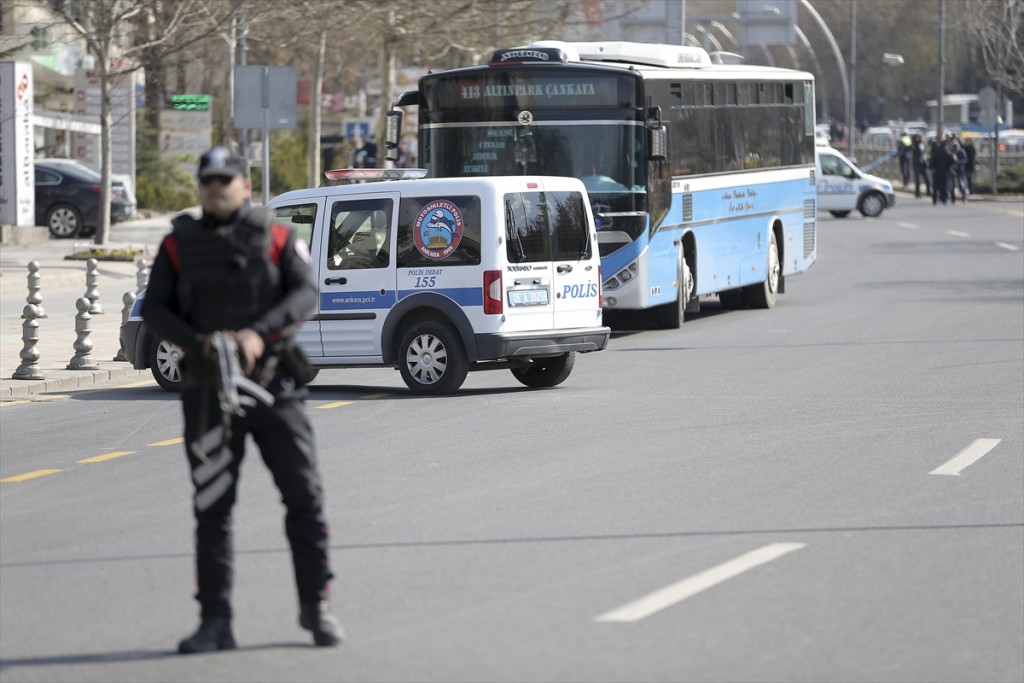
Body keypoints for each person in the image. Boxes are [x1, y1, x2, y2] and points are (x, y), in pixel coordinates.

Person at [142, 146, 344, 653]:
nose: (217, 188)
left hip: (275, 386)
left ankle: (316, 605)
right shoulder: (177, 244)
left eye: (226, 179)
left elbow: (305, 294)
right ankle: (215, 621)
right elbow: (157, 312)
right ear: (199, 187)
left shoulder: (276, 235)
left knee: (305, 497)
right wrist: (199, 342)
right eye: (208, 180)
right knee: (212, 508)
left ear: (245, 185)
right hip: (209, 393)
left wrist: (257, 334)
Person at [911, 133, 931, 199]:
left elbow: (927, 153)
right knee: (917, 180)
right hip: (917, 164)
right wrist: (917, 137)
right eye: (921, 138)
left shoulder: (924, 145)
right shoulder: (915, 145)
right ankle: (917, 193)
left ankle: (928, 192)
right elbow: (913, 141)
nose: (923, 139)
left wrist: (926, 157)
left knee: (927, 179)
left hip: (923, 164)